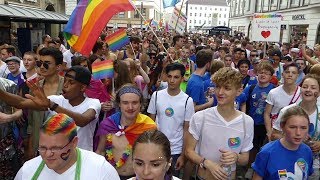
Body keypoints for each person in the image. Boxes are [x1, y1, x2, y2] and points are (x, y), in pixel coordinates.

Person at [0, 65, 101, 152]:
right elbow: (21, 102)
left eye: (71, 82)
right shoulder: (55, 100)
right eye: (65, 80)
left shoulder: (93, 103)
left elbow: (82, 121)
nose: (65, 85)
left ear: (83, 87)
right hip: (56, 158)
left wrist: (52, 105)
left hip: (82, 158)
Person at [185, 67, 254, 180]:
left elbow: (245, 159)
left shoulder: (247, 122)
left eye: (226, 88)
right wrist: (206, 162)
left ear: (239, 91)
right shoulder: (200, 117)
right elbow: (188, 151)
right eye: (217, 86)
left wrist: (236, 157)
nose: (220, 92)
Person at [15, 113, 120, 180]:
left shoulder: (100, 170)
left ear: (74, 142)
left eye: (55, 148)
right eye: (42, 148)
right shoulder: (27, 171)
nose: (47, 154)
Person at [95, 84, 157, 180]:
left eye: (135, 102)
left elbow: (154, 155)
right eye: (125, 103)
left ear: (141, 104)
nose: (130, 107)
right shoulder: (108, 125)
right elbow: (100, 151)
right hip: (111, 176)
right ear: (119, 104)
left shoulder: (148, 126)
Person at [147, 63, 195, 176]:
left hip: (175, 151)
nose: (172, 80)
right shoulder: (156, 95)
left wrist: (183, 155)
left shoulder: (187, 101)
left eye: (176, 77)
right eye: (169, 76)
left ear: (182, 79)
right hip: (157, 147)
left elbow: (187, 130)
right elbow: (150, 124)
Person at [252, 106, 313, 180]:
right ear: (282, 126)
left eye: (303, 128)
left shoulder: (307, 151)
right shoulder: (266, 152)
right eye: (292, 127)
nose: (298, 133)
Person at [264, 63, 300, 141]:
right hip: (276, 131)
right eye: (287, 72)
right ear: (283, 74)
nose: (290, 75)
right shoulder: (273, 92)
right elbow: (267, 113)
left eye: (293, 73)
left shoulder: (302, 93)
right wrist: (269, 132)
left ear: (297, 75)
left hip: (295, 132)